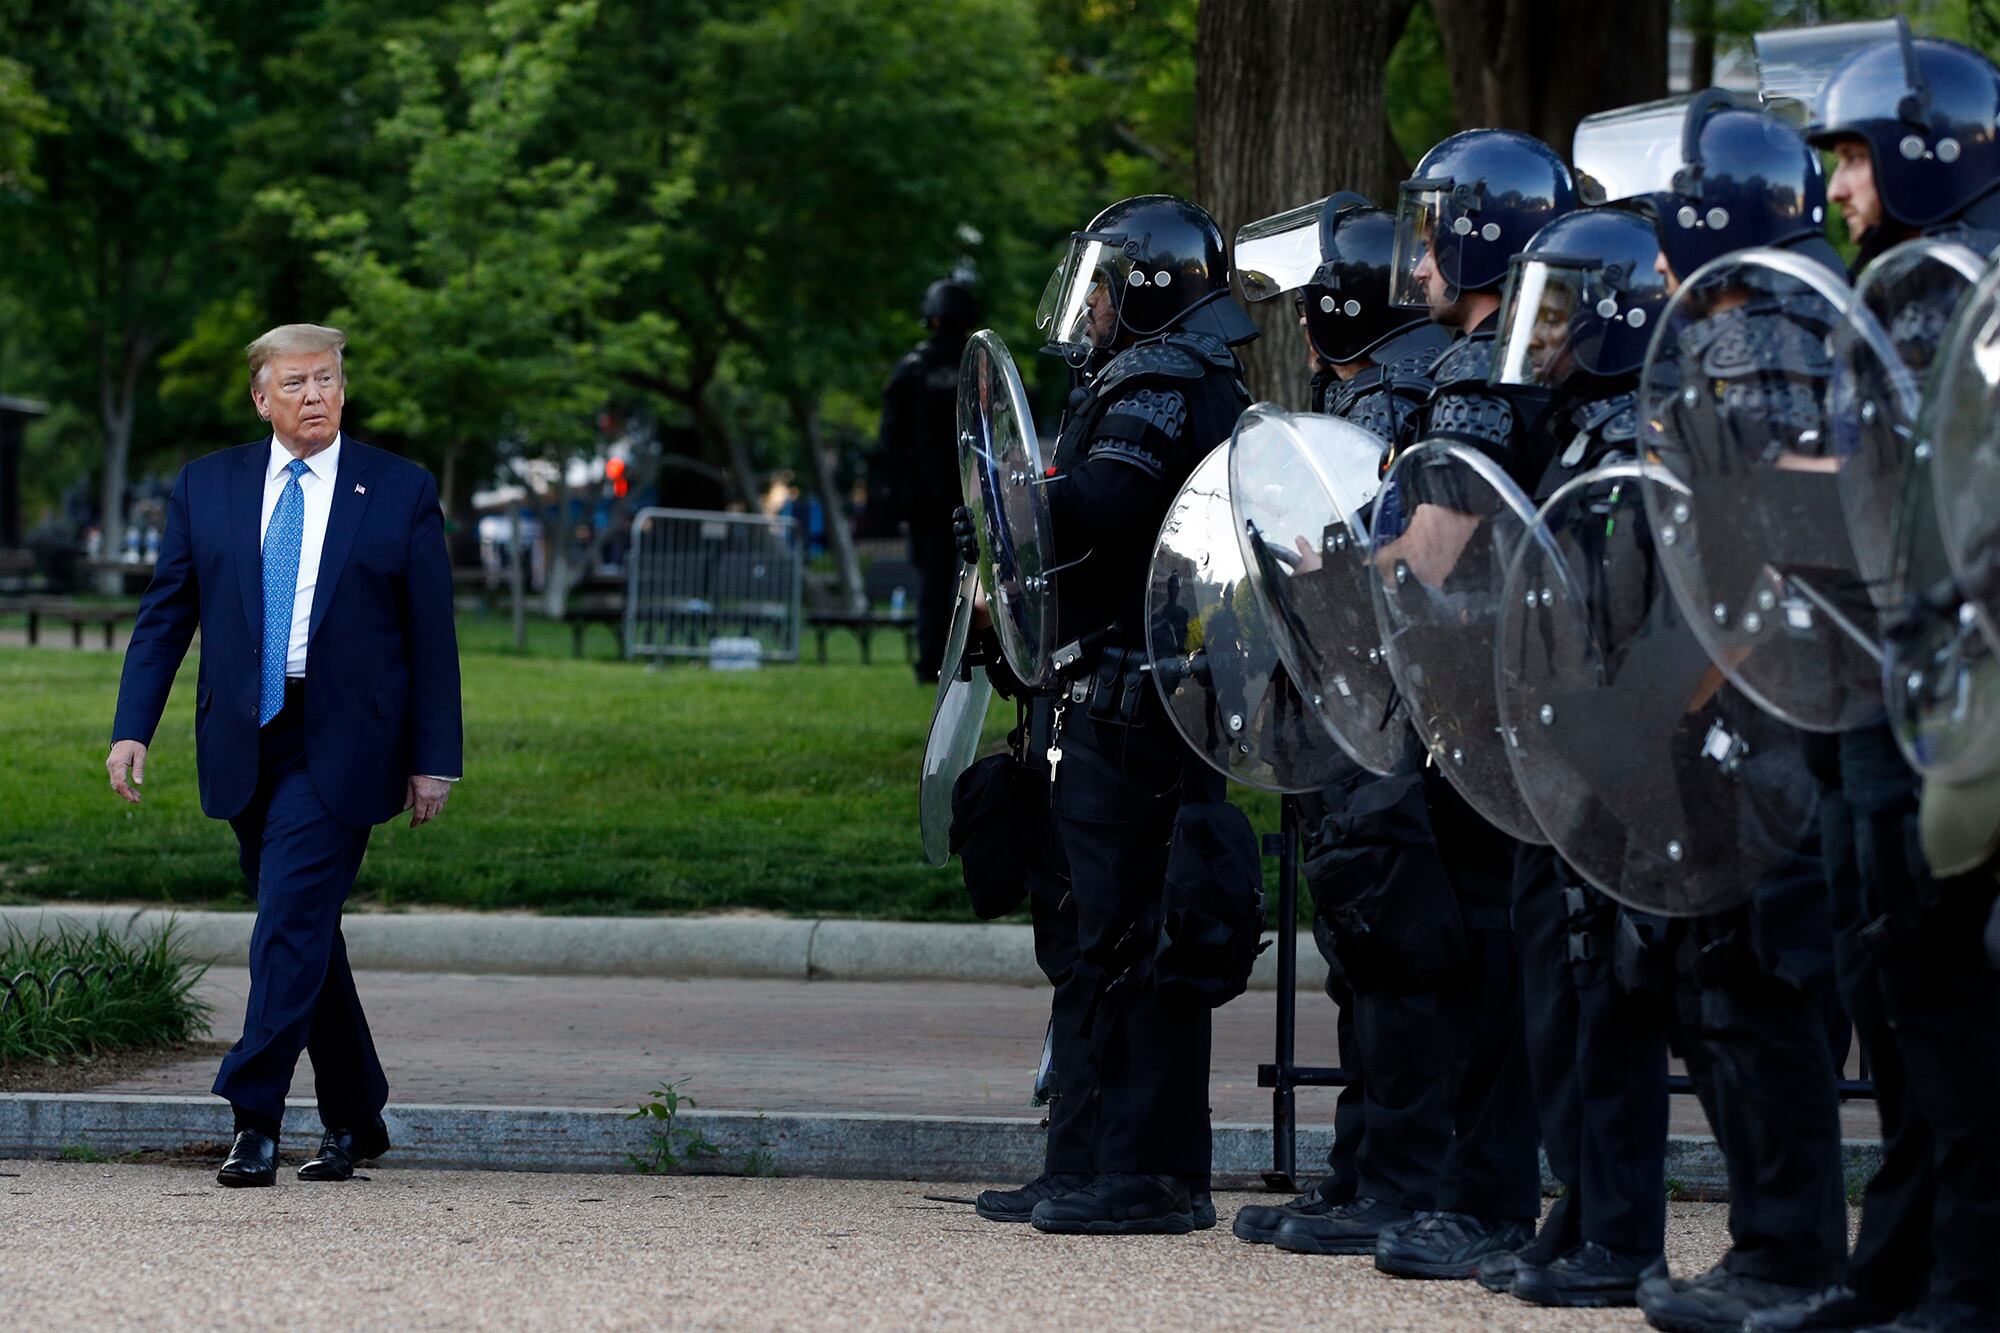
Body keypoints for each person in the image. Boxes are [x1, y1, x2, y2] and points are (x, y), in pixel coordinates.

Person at [1572, 92, 1856, 1333]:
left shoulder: (1755, 331)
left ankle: (1786, 1258)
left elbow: (1752, 544)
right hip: (1762, 703)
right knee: (1729, 987)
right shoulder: (1774, 315)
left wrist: (1652, 714)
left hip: (1754, 709)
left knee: (1750, 989)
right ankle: (1775, 1251)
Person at [1748, 26, 2000, 1333]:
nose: (1835, 186)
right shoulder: (1902, 283)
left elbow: (1953, 498)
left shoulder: (1975, 286)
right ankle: (1893, 1271)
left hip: (1947, 695)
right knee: (1891, 991)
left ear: (1919, 149)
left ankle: (1968, 1281)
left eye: (1850, 156)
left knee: (1942, 995)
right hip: (1867, 686)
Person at [105, 323, 462, 1188]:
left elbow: (431, 637)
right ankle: (357, 1114)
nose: (315, 396)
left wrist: (434, 757)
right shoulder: (207, 486)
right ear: (261, 397)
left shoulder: (400, 489)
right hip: (245, 734)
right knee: (305, 932)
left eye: (329, 381)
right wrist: (132, 725)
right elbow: (167, 615)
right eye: (296, 383)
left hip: (347, 740)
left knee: (288, 922)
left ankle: (252, 1112)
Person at [963, 194, 1256, 1235]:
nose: (1085, 312)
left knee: (1132, 937)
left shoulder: (1163, 381)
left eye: (1099, 288)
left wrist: (1015, 492)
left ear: (1143, 290)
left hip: (1140, 706)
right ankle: (1084, 1160)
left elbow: (1106, 503)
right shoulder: (1162, 374)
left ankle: (1146, 1174)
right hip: (1118, 694)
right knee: (1096, 936)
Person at [1358, 128, 1576, 1283]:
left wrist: (1326, 572)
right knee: (1486, 953)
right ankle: (1469, 1187)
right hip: (1488, 699)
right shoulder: (1513, 355)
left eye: (1435, 228)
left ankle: (1485, 1196)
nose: (1420, 254)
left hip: (1489, 706)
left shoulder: (1491, 371)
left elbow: (1431, 550)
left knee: (1490, 958)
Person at [1227, 191, 1457, 1259]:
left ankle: (1393, 1179)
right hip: (1360, 712)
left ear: (1339, 305)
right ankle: (1358, 1169)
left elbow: (1356, 556)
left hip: (1384, 719)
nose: (1301, 325)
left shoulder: (1389, 402)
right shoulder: (1371, 388)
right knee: (1359, 953)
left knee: (1388, 952)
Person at [1474, 205, 1677, 1309]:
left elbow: (1638, 612)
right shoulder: (1567, 428)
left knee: (1609, 997)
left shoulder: (1635, 432)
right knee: (1559, 991)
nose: (1533, 335)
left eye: (1551, 312)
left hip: (1615, 757)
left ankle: (1622, 1232)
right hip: (1554, 753)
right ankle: (1579, 1204)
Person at [881, 279, 980, 684]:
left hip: (927, 498)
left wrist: (898, 494)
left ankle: (931, 664)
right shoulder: (976, 365)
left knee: (933, 587)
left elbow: (890, 439)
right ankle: (971, 662)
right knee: (982, 586)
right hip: (973, 493)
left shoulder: (913, 369)